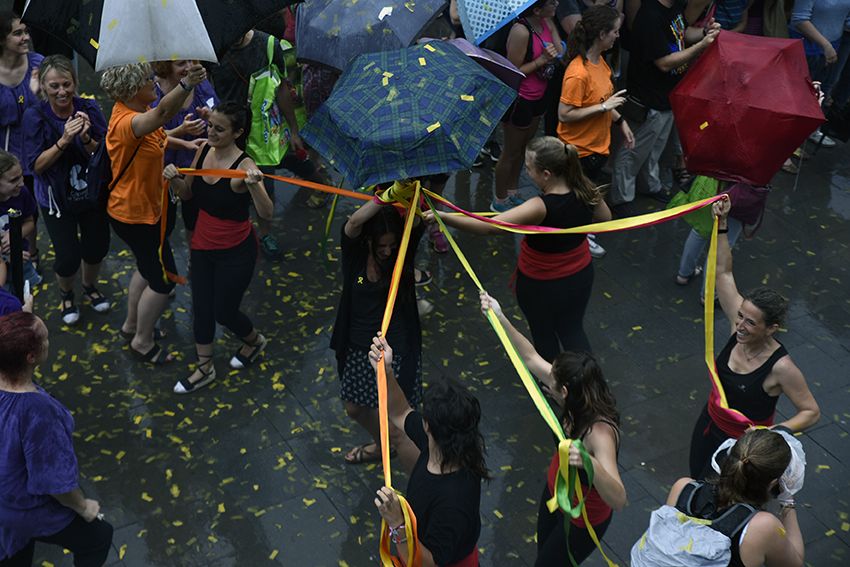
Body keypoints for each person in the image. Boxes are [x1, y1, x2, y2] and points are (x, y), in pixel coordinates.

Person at [428, 136, 611, 361]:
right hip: (579, 275)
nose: (526, 172)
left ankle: (553, 382)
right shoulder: (585, 188)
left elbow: (490, 228)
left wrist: (444, 217)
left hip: (542, 283)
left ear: (546, 174)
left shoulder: (539, 207)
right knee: (572, 329)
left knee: (543, 333)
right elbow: (605, 218)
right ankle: (585, 381)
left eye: (528, 168)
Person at [479, 291, 626, 565]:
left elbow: (618, 499)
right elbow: (531, 358)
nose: (548, 382)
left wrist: (589, 462)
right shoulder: (578, 393)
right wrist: (500, 317)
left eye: (553, 382)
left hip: (583, 521)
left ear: (566, 390)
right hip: (557, 494)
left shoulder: (600, 434)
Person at [688, 198, 820, 478]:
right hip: (709, 424)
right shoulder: (741, 325)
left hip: (744, 449)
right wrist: (722, 224)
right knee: (696, 477)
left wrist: (772, 433)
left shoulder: (782, 367)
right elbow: (723, 273)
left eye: (750, 322)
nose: (740, 326)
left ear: (771, 328)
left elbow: (811, 411)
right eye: (739, 317)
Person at [100, 61, 208, 364]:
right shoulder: (128, 122)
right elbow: (160, 115)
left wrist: (183, 139)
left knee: (146, 267)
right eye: (149, 81)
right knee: (162, 283)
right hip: (136, 216)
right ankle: (142, 342)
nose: (154, 83)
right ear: (134, 90)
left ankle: (132, 324)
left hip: (138, 211)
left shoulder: (134, 116)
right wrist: (187, 84)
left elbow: (157, 134)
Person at [164, 103, 272, 394]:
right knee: (201, 307)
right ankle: (205, 368)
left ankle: (255, 341)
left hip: (236, 251)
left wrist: (255, 187)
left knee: (224, 312)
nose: (210, 132)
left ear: (237, 133)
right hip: (202, 244)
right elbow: (187, 194)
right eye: (210, 125)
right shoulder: (202, 152)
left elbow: (267, 213)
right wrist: (174, 178)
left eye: (219, 129)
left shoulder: (245, 166)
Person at [0, 311, 113, 566]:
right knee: (99, 537)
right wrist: (83, 507)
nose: (49, 341)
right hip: (22, 507)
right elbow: (54, 482)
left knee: (15, 551)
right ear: (32, 356)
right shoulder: (37, 412)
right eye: (46, 338)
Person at [370, 333, 487, 567]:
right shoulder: (445, 443)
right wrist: (386, 371)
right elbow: (400, 412)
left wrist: (397, 525)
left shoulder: (454, 501)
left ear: (428, 426)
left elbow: (430, 564)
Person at [208, 29, 325, 260]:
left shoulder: (268, 45)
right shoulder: (213, 49)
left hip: (268, 133)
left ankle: (321, 183)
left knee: (294, 160)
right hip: (232, 133)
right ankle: (265, 233)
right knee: (262, 186)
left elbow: (281, 87)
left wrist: (293, 129)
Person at [330, 187, 424, 468]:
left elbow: (416, 221)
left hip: (396, 349)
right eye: (381, 245)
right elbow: (353, 223)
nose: (387, 251)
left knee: (400, 419)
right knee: (355, 407)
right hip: (358, 346)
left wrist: (407, 196)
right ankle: (384, 443)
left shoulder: (401, 256)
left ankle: (411, 466)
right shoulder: (356, 257)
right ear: (368, 240)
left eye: (392, 244)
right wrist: (385, 196)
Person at [23, 55, 111, 325]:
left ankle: (89, 285)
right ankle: (66, 293)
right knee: (68, 256)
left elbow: (103, 153)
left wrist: (85, 138)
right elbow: (36, 166)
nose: (62, 91)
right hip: (56, 199)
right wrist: (64, 140)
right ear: (45, 88)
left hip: (91, 193)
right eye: (54, 86)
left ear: (75, 83)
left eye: (66, 84)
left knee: (96, 248)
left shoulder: (89, 108)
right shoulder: (34, 116)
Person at [609, 0, 720, 214]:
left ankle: (650, 185)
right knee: (633, 150)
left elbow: (682, 33)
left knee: (654, 149)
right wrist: (702, 46)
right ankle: (621, 199)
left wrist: (705, 32)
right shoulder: (650, 16)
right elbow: (664, 62)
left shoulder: (675, 6)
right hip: (647, 98)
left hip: (667, 95)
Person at [558, 5, 635, 257]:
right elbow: (564, 115)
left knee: (581, 201)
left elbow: (603, 100)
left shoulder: (600, 63)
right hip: (579, 153)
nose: (617, 36)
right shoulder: (577, 73)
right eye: (614, 31)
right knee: (586, 204)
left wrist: (620, 120)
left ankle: (579, 234)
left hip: (597, 149)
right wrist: (604, 107)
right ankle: (575, 238)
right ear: (601, 34)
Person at [669, 429, 804, 567]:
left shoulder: (684, 488)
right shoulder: (763, 526)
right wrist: (787, 501)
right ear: (773, 482)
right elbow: (795, 563)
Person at [492, 0, 564, 213]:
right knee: (510, 151)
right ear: (536, 9)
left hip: (539, 96)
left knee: (523, 148)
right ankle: (499, 199)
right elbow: (512, 71)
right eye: (551, 2)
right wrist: (542, 60)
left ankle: (512, 191)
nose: (557, 4)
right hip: (521, 100)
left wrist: (553, 47)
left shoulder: (547, 21)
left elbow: (559, 51)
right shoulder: (521, 31)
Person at [151, 59, 219, 244]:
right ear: (165, 66)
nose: (189, 67)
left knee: (195, 221)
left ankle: (194, 259)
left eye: (191, 61)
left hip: (196, 167)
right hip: (164, 170)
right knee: (165, 224)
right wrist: (180, 132)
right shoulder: (151, 91)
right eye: (181, 63)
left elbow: (219, 117)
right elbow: (148, 136)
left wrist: (210, 117)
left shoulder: (201, 84)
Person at [0, 12, 42, 275]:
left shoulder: (39, 65)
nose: (25, 37)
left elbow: (53, 112)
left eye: (25, 31)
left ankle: (31, 251)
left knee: (29, 209)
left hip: (36, 152)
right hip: (5, 158)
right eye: (17, 33)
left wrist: (37, 97)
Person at [790, 0, 850, 147]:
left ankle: (805, 133)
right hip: (807, 47)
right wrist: (825, 44)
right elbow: (799, 19)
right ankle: (785, 140)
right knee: (797, 95)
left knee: (820, 92)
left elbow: (845, 19)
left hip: (834, 45)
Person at [0, 149, 39, 290]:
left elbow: (29, 222)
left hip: (21, 259)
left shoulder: (22, 193)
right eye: (14, 180)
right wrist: (4, 256)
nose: (22, 183)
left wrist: (14, 236)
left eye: (21, 176)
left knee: (23, 298)